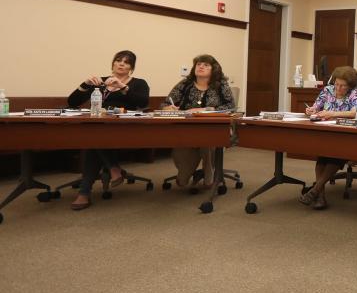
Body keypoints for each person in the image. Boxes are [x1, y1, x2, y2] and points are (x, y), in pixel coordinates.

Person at [66, 50, 150, 210]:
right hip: (97, 126)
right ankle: (112, 168)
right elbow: (72, 102)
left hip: (123, 129)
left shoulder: (138, 83)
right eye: (118, 60)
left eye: (126, 62)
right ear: (113, 63)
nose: (121, 64)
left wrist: (123, 87)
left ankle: (85, 191)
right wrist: (85, 85)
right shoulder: (100, 82)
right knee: (95, 138)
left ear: (131, 68)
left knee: (94, 140)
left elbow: (143, 102)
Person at [164, 54, 235, 189]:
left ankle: (209, 176)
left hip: (213, 127)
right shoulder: (184, 84)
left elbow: (231, 106)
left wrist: (206, 109)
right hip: (186, 127)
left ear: (213, 69)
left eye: (206, 65)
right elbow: (165, 104)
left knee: (207, 141)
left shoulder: (221, 85)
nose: (201, 67)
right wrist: (169, 107)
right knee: (182, 149)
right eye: (198, 64)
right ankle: (185, 175)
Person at [298, 66, 357, 210]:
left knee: (335, 155)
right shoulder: (327, 90)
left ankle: (315, 191)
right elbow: (316, 107)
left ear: (350, 86)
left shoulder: (354, 94)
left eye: (342, 86)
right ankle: (320, 196)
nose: (338, 88)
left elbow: (355, 113)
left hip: (345, 136)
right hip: (326, 133)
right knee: (322, 158)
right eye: (336, 84)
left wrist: (332, 113)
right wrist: (311, 110)